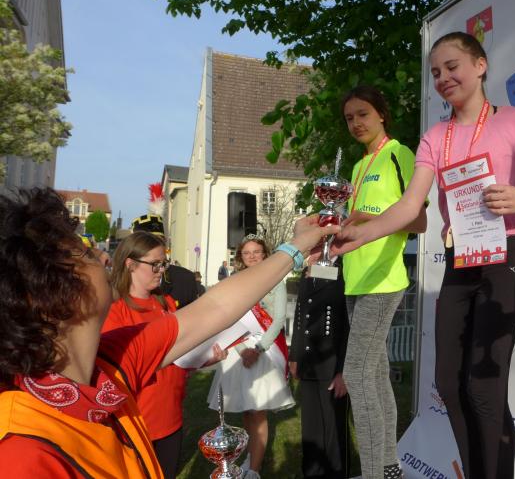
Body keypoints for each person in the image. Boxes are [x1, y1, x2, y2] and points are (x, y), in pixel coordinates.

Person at [334, 36, 515, 479]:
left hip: (504, 257)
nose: (443, 78)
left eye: (452, 66)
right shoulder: (434, 137)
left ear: (480, 65)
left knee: (484, 386)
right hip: (459, 259)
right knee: (447, 381)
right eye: (435, 72)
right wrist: (360, 233)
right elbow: (410, 207)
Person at [0, 187, 337, 477]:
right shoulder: (20, 451)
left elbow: (217, 307)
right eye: (86, 252)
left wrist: (296, 245)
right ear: (53, 292)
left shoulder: (113, 360)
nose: (103, 255)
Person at [338, 85, 426, 479]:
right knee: (374, 376)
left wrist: (365, 218)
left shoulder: (399, 154)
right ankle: (389, 467)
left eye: (363, 114)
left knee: (356, 376)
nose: (356, 123)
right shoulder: (358, 167)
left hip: (384, 279)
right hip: (355, 278)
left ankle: (374, 472)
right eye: (349, 118)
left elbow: (420, 221)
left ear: (381, 114)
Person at [101, 232, 188, 478]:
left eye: (164, 264)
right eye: (155, 264)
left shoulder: (166, 303)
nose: (161, 271)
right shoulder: (115, 310)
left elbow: (181, 349)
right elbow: (116, 369)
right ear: (130, 264)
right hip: (137, 423)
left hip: (171, 416)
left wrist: (202, 357)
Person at [206, 234, 294, 479]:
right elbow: (229, 317)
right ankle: (249, 456)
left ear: (265, 254)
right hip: (239, 349)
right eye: (247, 253)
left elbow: (278, 319)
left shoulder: (275, 280)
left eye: (256, 252)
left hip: (264, 349)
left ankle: (254, 469)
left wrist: (258, 349)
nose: (252, 256)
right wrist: (242, 349)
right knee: (245, 410)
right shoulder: (235, 281)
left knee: (257, 411)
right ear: (240, 257)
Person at [289, 263, 350, 479]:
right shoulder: (309, 271)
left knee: (333, 429)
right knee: (311, 427)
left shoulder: (346, 269)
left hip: (332, 363)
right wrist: (295, 355)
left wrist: (344, 371)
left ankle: (336, 474)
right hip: (309, 361)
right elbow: (300, 316)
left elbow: (349, 326)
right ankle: (312, 473)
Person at [131, 213, 200, 308]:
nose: (157, 248)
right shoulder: (122, 284)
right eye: (150, 244)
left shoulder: (185, 279)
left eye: (160, 242)